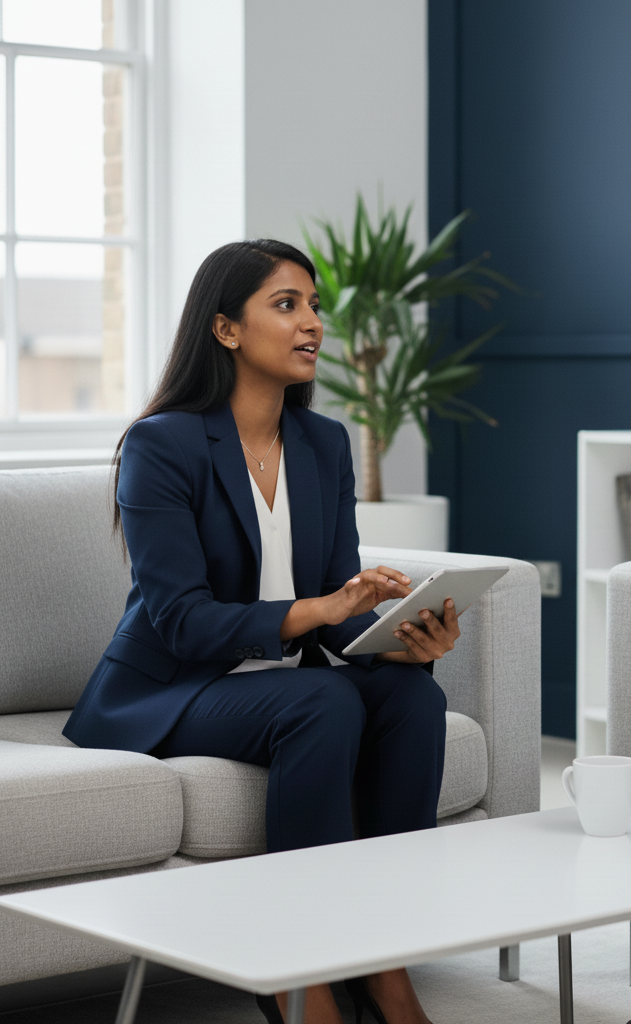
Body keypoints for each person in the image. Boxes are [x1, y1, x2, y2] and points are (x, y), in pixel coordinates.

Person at [65, 239, 457, 1024]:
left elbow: (334, 605)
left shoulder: (323, 443)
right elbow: (180, 619)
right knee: (324, 704)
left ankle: (384, 958)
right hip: (175, 687)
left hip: (284, 678)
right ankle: (296, 969)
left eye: (314, 306)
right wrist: (320, 610)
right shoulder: (161, 445)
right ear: (226, 330)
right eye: (287, 305)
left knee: (411, 694)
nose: (312, 322)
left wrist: (397, 633)